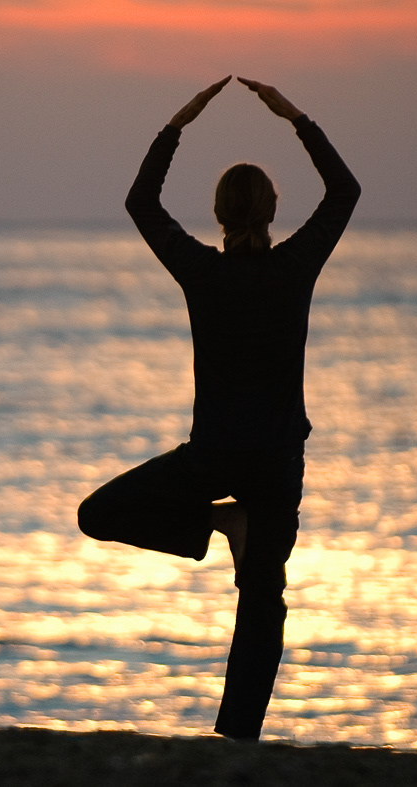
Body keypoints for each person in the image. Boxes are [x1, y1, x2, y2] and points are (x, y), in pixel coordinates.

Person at [76, 75, 361, 739]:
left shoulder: (203, 271)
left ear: (218, 215)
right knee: (263, 599)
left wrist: (177, 125)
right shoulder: (293, 266)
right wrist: (296, 117)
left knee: (98, 514)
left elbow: (141, 202)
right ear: (273, 210)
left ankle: (216, 523)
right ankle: (238, 736)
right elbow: (344, 191)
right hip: (275, 461)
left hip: (215, 457)